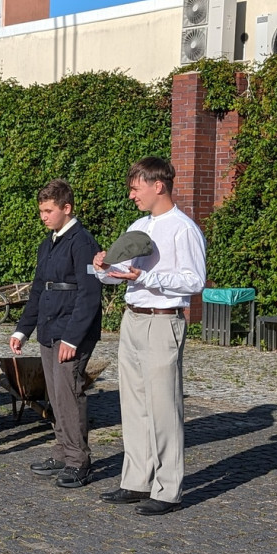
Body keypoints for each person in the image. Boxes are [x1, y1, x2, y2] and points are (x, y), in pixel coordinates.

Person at [93, 157, 206, 515]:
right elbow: (124, 273)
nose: (131, 195)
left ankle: (168, 488)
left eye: (135, 188)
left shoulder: (182, 229)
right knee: (134, 403)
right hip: (133, 318)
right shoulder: (139, 225)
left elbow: (194, 281)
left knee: (163, 406)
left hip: (163, 320)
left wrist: (145, 279)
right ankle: (136, 480)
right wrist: (104, 268)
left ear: (158, 185)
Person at [10, 179, 102, 488]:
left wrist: (72, 338)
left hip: (71, 332)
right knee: (56, 396)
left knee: (69, 395)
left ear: (67, 208)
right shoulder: (47, 243)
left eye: (48, 210)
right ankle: (63, 452)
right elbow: (38, 290)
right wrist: (23, 330)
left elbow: (89, 294)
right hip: (50, 328)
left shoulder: (82, 241)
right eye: (41, 210)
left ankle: (79, 461)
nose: (43, 216)